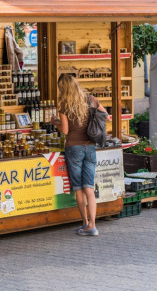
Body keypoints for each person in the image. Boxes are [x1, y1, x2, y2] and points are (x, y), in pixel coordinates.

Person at [51, 74, 107, 236]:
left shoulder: (64, 105)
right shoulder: (90, 99)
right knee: (89, 187)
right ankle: (93, 225)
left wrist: (55, 122)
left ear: (63, 88)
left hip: (73, 148)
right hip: (90, 147)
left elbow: (65, 130)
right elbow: (105, 115)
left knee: (78, 188)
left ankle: (84, 222)